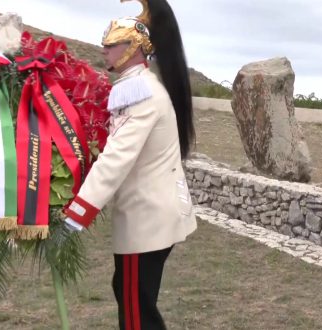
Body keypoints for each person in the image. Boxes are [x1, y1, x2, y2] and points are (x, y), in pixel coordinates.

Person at [62, 0, 197, 328]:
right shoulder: (133, 87)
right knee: (131, 295)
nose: (104, 50)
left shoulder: (142, 93)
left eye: (112, 45)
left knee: (137, 311)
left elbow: (116, 158)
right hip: (146, 212)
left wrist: (77, 212)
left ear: (134, 48)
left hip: (146, 217)